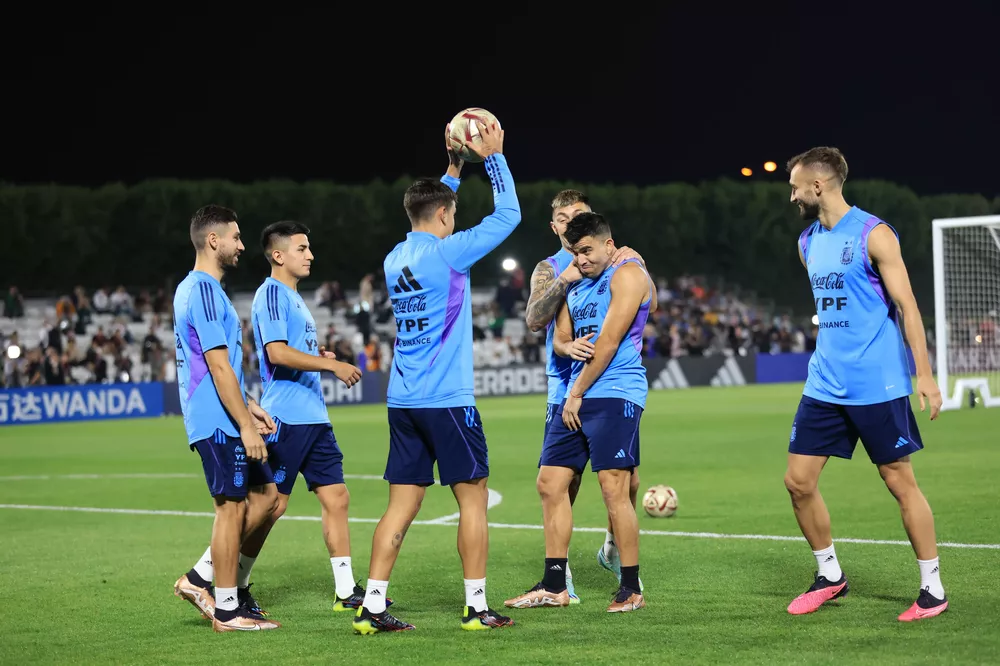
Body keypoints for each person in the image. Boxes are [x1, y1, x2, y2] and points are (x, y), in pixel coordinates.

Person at [352, 121, 519, 634]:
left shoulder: (394, 257)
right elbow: (509, 214)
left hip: (403, 399)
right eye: (451, 213)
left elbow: (433, 207)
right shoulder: (449, 252)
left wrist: (453, 167)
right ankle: (475, 606)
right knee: (473, 497)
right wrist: (492, 157)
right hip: (447, 398)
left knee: (401, 504)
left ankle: (372, 606)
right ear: (445, 216)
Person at [783, 147, 946, 622]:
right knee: (797, 482)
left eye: (795, 186)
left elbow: (908, 307)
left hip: (877, 382)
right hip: (824, 382)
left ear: (819, 185)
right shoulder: (807, 242)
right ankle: (830, 576)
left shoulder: (874, 234)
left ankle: (932, 588)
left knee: (898, 480)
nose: (791, 195)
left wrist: (926, 374)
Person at [181, 221, 370, 620]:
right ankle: (219, 578)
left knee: (336, 497)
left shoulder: (297, 300)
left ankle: (345, 590)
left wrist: (322, 362)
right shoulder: (270, 294)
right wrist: (329, 366)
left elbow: (294, 352)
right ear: (279, 255)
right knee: (269, 504)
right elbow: (277, 353)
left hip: (314, 416)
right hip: (286, 415)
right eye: (302, 248)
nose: (310, 254)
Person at [511, 190, 653, 607]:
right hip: (571, 392)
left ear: (606, 240)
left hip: (612, 390)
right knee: (551, 482)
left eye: (587, 249)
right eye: (576, 251)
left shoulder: (627, 270)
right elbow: (555, 336)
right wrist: (568, 366)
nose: (581, 257)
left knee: (616, 487)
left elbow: (610, 341)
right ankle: (555, 585)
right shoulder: (566, 278)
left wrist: (577, 391)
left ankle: (630, 586)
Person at [171, 205, 281, 632]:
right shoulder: (200, 289)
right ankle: (228, 610)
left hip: (225, 411)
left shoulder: (206, 290)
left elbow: (224, 366)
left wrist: (250, 403)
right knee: (231, 509)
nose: (241, 245)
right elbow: (216, 367)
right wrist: (243, 425)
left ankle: (199, 579)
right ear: (213, 240)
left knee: (268, 498)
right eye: (235, 237)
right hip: (215, 418)